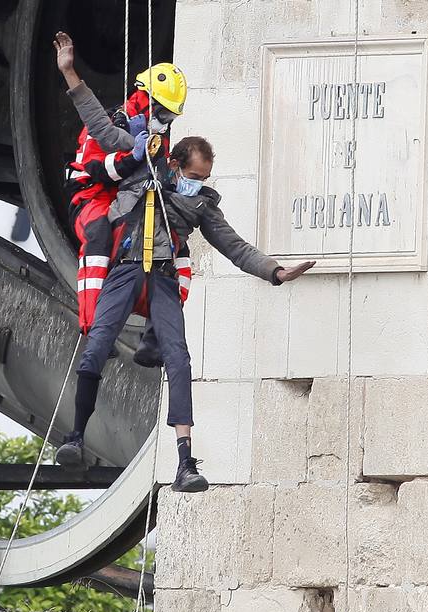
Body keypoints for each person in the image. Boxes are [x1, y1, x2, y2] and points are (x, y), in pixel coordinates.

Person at [51, 31, 315, 492]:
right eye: (193, 177)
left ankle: (185, 463)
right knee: (97, 346)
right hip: (129, 266)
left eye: (203, 179)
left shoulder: (201, 204)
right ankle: (74, 436)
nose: (197, 185)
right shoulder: (145, 164)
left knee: (179, 359)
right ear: (176, 165)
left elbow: (234, 245)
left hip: (164, 277)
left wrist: (274, 272)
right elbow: (99, 125)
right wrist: (71, 73)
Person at [62, 60, 188, 340]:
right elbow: (96, 168)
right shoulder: (109, 124)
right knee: (98, 236)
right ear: (148, 101)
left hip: (126, 203)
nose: (165, 123)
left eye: (170, 118)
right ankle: (94, 327)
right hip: (91, 196)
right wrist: (132, 157)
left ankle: (157, 335)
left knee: (172, 244)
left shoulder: (156, 140)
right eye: (164, 115)